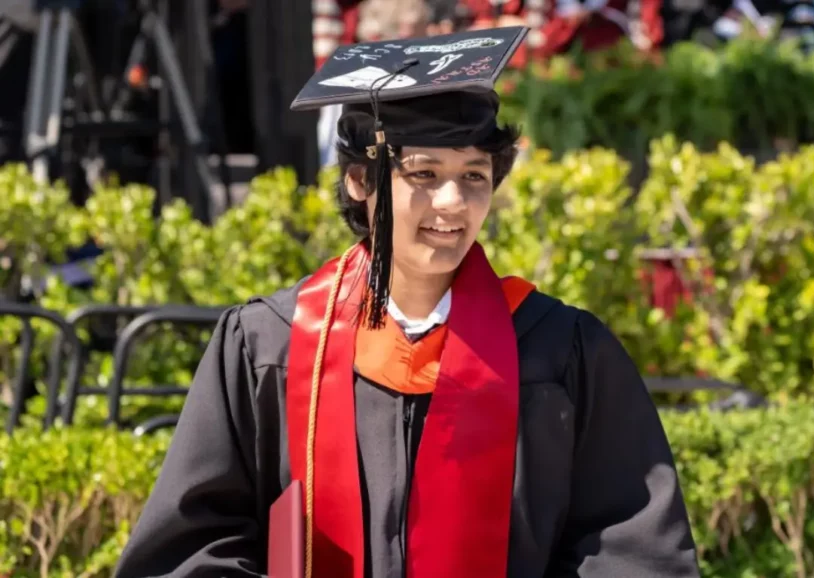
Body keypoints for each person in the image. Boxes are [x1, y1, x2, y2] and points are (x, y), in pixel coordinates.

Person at [115, 26, 700, 578]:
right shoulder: (270, 344)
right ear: (359, 182)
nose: (453, 203)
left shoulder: (562, 351)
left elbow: (633, 550)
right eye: (423, 172)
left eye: (475, 175)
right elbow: (189, 550)